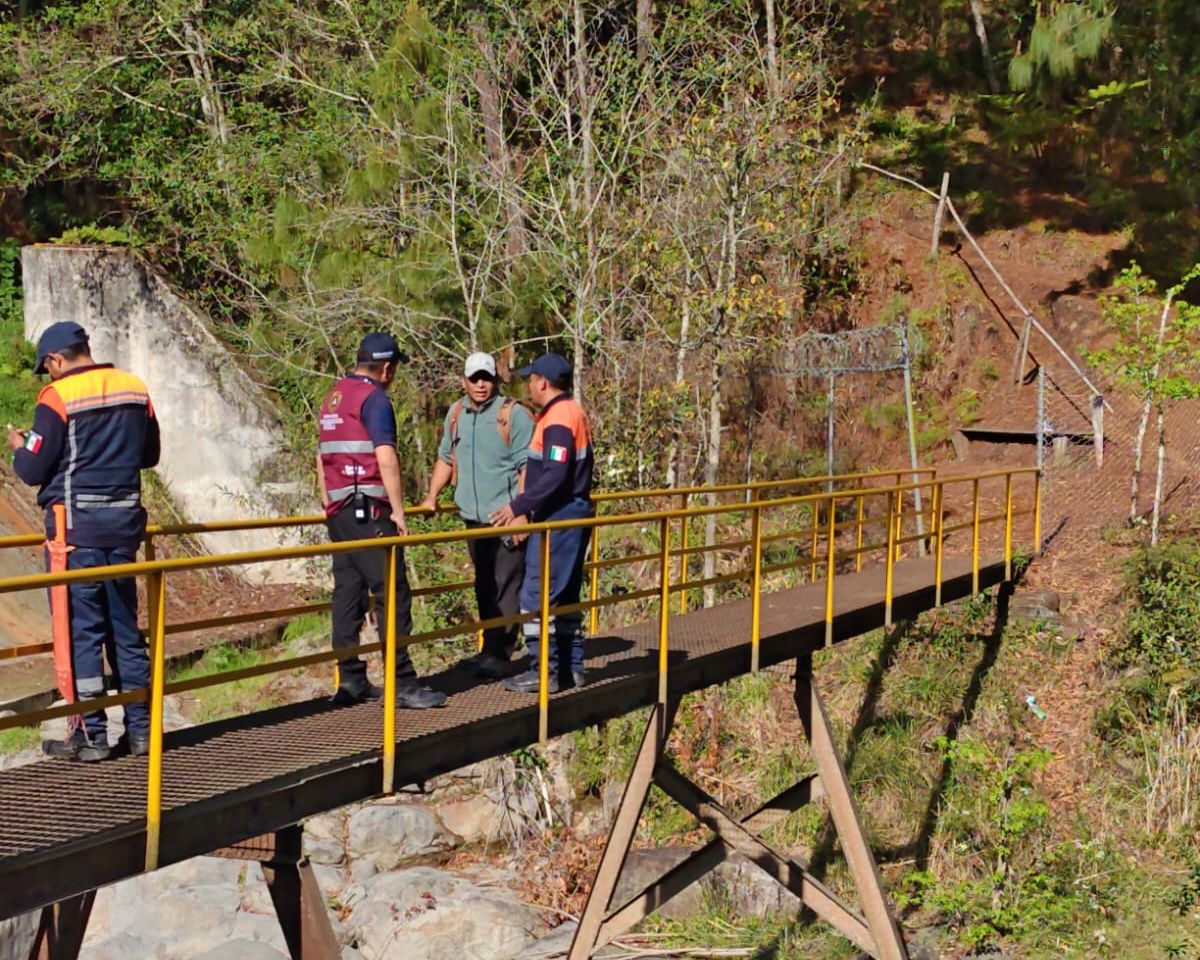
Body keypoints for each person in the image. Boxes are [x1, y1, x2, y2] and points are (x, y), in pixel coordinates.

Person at [7, 321, 160, 762]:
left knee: (82, 636)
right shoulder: (134, 388)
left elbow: (33, 470)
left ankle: (91, 736)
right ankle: (142, 733)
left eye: (47, 367)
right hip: (124, 529)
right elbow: (149, 456)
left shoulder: (57, 397)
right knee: (126, 635)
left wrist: (20, 446)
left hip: (75, 534)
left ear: (55, 360)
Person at [317, 333, 446, 709]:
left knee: (347, 591)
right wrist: (399, 510)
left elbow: (320, 454)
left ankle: (351, 679)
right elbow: (385, 457)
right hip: (369, 509)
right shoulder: (374, 399)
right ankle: (403, 683)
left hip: (340, 511)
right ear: (387, 368)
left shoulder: (334, 395)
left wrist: (328, 500)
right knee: (392, 592)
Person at [420, 352, 534, 678]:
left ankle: (501, 654)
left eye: (486, 377)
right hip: (473, 518)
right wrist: (431, 496)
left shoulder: (512, 415)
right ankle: (490, 650)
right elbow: (445, 458)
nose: (481, 384)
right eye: (474, 378)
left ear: (495, 379)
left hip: (505, 515)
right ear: (464, 381)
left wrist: (521, 512)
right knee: (484, 585)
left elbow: (527, 465)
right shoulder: (457, 414)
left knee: (507, 586)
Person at [491, 352, 594, 694]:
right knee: (564, 595)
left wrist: (518, 506)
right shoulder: (565, 412)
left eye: (530, 379)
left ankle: (543, 670)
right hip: (568, 514)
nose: (528, 386)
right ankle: (570, 668)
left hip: (560, 517)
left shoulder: (560, 419)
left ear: (543, 383)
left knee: (537, 595)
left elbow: (555, 474)